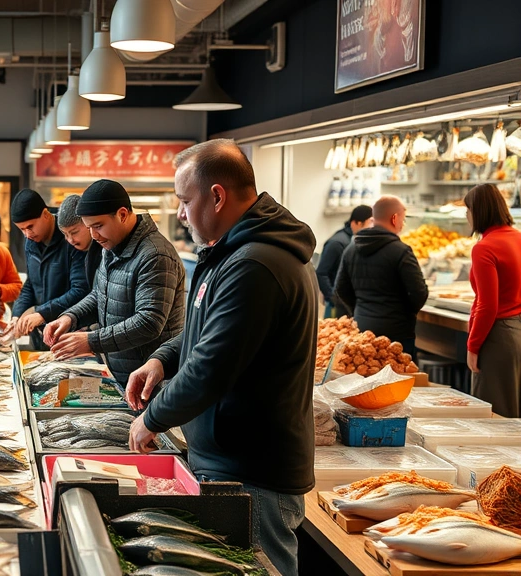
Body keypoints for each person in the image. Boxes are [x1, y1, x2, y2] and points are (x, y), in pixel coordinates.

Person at [124, 140, 316, 576]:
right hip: (229, 460)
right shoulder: (228, 253)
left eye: (185, 200)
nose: (180, 213)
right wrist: (161, 360)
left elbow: (212, 365)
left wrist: (151, 418)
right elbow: (201, 336)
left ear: (217, 196)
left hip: (254, 471)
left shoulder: (256, 265)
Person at [43, 179, 185, 385]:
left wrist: (92, 341)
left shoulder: (155, 255)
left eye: (98, 226)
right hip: (120, 375)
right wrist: (70, 317)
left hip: (151, 382)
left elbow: (149, 322)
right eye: (89, 227)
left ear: (122, 214)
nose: (94, 235)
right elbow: (99, 294)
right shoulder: (110, 246)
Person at [334, 195, 428, 362]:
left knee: (364, 380)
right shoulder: (401, 251)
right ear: (394, 218)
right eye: (403, 219)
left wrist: (359, 309)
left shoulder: (351, 248)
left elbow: (341, 288)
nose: (403, 224)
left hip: (363, 330)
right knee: (397, 381)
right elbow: (419, 293)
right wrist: (404, 313)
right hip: (397, 333)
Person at [463, 184, 521, 417]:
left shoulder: (484, 248)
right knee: (518, 415)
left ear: (478, 212)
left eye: (468, 210)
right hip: (520, 332)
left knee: (493, 416)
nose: (466, 216)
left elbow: (487, 305)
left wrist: (473, 345)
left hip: (497, 337)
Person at [6, 188, 89, 349]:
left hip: (70, 334)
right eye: (21, 229)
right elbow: (31, 283)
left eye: (30, 227)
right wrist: (17, 314)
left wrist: (41, 313)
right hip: (41, 337)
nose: (27, 234)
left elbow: (80, 289)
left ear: (45, 214)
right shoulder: (31, 242)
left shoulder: (71, 239)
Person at [316, 205, 372, 318]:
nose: (371, 228)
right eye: (369, 223)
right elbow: (321, 273)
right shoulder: (337, 243)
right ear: (356, 223)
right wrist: (333, 298)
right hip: (336, 308)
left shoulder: (353, 241)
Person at [56, 193, 103, 289]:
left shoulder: (106, 249)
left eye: (74, 232)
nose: (70, 240)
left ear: (88, 223)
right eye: (65, 234)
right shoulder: (73, 251)